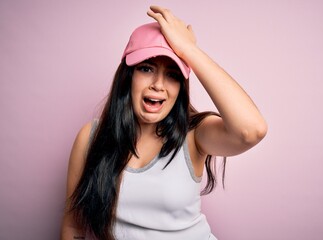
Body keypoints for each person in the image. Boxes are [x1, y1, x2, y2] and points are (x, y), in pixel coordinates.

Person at [61, 5, 267, 240]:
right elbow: (73, 228)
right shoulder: (91, 138)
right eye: (146, 68)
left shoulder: (194, 135)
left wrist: (189, 50)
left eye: (172, 74)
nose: (158, 84)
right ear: (128, 76)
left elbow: (251, 130)